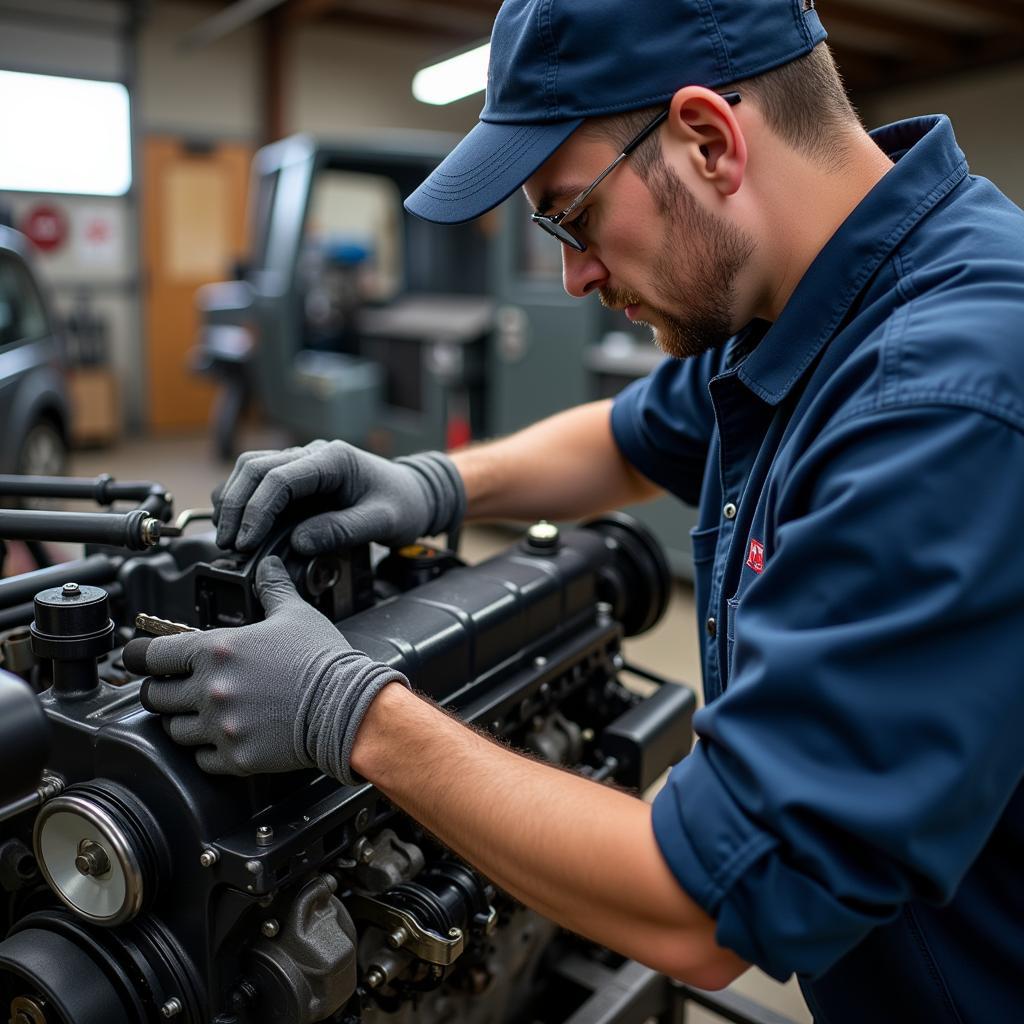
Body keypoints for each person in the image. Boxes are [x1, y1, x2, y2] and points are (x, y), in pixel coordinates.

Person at [122, 1, 1024, 1020]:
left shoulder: (942, 397)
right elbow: (626, 437)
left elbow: (708, 902)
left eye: (574, 216)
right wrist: (431, 483)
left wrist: (349, 711)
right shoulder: (810, 294)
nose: (573, 272)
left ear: (708, 140)